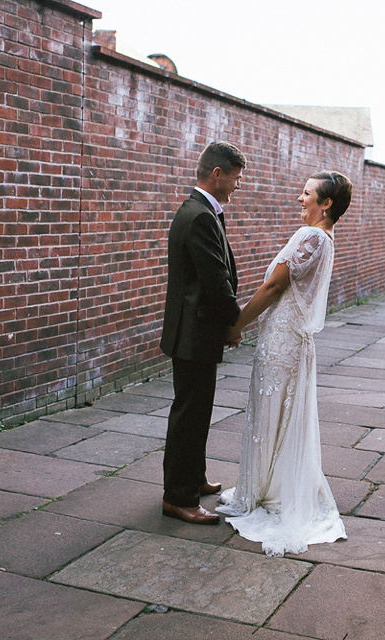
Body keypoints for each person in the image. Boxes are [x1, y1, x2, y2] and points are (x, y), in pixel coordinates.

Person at [216, 170, 353, 556]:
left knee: (269, 413)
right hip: (291, 338)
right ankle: (266, 485)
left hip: (283, 340)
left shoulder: (312, 236)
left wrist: (237, 323)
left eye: (307, 194)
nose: (300, 198)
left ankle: (259, 492)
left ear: (325, 204)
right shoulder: (325, 238)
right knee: (279, 415)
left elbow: (274, 286)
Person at [159, 141, 246, 525]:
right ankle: (179, 498)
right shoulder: (200, 216)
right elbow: (216, 280)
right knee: (189, 416)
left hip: (192, 332)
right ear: (217, 174)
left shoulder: (198, 210)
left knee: (196, 412)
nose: (237, 185)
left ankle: (193, 478)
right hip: (194, 334)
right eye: (236, 177)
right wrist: (236, 322)